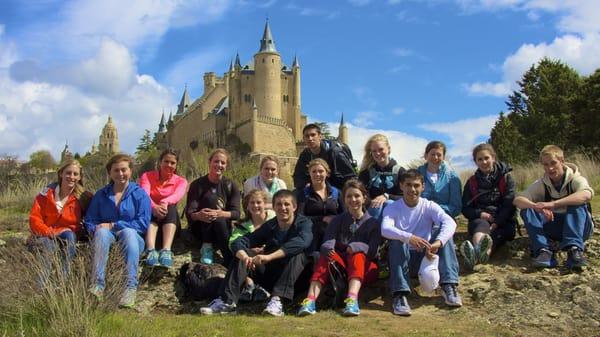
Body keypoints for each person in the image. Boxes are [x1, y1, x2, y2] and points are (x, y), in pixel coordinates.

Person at [200, 190, 313, 316]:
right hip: (273, 276)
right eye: (279, 205)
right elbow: (241, 241)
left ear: (295, 207)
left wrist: (269, 257)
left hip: (297, 278)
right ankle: (227, 302)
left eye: (287, 204)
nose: (283, 208)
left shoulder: (304, 223)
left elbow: (302, 242)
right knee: (245, 254)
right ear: (273, 207)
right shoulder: (271, 225)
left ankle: (277, 301)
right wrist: (244, 255)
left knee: (298, 254)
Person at [382, 169, 462, 316]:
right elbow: (385, 229)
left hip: (426, 257)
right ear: (401, 186)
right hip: (404, 258)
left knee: (445, 235)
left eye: (416, 185)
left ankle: (449, 286)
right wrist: (409, 237)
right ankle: (400, 295)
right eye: (408, 185)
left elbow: (449, 222)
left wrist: (438, 242)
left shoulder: (429, 205)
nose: (412, 189)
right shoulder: (393, 207)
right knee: (397, 241)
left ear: (422, 187)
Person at [298, 179, 381, 317]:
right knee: (326, 256)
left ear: (364, 198)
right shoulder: (338, 220)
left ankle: (352, 300)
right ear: (344, 199)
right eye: (349, 196)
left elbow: (372, 250)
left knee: (357, 255)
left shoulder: (373, 223)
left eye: (357, 196)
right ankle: (310, 301)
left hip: (366, 268)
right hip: (342, 266)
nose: (353, 199)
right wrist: (328, 247)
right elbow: (328, 240)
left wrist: (356, 246)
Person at [85, 154, 151, 308]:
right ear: (110, 173)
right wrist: (97, 228)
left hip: (133, 239)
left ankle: (130, 287)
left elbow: (142, 223)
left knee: (128, 232)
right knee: (101, 233)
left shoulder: (139, 193)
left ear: (131, 171)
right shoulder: (101, 194)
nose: (120, 174)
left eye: (124, 170)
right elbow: (90, 220)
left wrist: (115, 225)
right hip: (106, 236)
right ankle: (97, 286)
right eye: (116, 170)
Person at [513, 145, 594, 270]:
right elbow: (518, 200)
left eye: (553, 163)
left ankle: (574, 251)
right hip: (554, 227)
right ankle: (544, 251)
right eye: (545, 164)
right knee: (527, 209)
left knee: (577, 203)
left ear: (562, 161)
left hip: (580, 227)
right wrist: (536, 206)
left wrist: (553, 204)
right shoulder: (541, 184)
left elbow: (586, 194)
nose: (550, 168)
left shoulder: (576, 179)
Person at [28, 160, 92, 277]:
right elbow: (34, 218)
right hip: (44, 234)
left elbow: (93, 217)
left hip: (68, 235)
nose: (71, 177)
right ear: (61, 173)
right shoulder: (46, 194)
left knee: (70, 235)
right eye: (68, 173)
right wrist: (50, 232)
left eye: (75, 174)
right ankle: (41, 288)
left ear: (79, 177)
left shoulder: (84, 197)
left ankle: (63, 279)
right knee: (49, 245)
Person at [460, 144, 517, 270]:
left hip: (505, 221)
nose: (484, 162)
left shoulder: (507, 178)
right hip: (480, 219)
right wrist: (481, 214)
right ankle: (479, 254)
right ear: (475, 162)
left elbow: (509, 204)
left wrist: (497, 222)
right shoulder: (471, 182)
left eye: (486, 158)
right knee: (481, 226)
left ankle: (477, 255)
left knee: (496, 234)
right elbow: (465, 208)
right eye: (479, 159)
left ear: (493, 158)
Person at [185, 148, 241, 266]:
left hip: (222, 231)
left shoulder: (231, 185)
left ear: (226, 166)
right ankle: (207, 246)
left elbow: (236, 213)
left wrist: (220, 213)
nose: (219, 165)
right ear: (209, 162)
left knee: (219, 217)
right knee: (210, 202)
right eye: (216, 161)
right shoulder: (197, 185)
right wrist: (199, 215)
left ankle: (227, 256)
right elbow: (190, 213)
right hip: (200, 230)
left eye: (223, 163)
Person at [139, 148, 188, 268]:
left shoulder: (181, 181)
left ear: (176, 165)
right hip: (150, 220)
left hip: (169, 222)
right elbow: (144, 195)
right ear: (160, 162)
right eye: (166, 161)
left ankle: (166, 250)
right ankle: (150, 250)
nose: (169, 165)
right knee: (147, 207)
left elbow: (177, 196)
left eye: (172, 163)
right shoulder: (147, 176)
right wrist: (154, 207)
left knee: (171, 207)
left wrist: (164, 202)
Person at [229, 189, 275, 302]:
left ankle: (259, 286)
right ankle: (248, 284)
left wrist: (265, 248)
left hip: (272, 260)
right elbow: (232, 243)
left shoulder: (275, 219)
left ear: (265, 204)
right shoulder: (242, 225)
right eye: (252, 203)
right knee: (242, 254)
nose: (255, 205)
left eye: (258, 202)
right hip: (251, 263)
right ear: (247, 206)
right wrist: (249, 251)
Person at [297, 159, 344, 257]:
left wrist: (335, 219)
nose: (317, 174)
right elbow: (300, 217)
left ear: (327, 173)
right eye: (314, 171)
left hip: (334, 231)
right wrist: (321, 218)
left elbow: (344, 214)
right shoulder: (304, 193)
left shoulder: (336, 192)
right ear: (309, 173)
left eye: (321, 171)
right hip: (312, 232)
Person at [293, 123, 356, 191]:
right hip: (315, 191)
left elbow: (351, 177)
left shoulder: (335, 153)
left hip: (336, 192)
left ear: (320, 136)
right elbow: (298, 177)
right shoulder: (305, 155)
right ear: (304, 139)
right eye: (307, 136)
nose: (310, 139)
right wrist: (306, 185)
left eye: (313, 135)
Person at [358, 134, 404, 220]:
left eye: (381, 149)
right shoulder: (366, 173)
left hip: (395, 213)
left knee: (388, 203)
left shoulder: (400, 172)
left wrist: (387, 196)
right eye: (374, 151)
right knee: (377, 206)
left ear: (389, 149)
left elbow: (405, 196)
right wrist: (371, 201)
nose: (378, 153)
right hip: (372, 210)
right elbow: (360, 193)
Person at [416, 141, 462, 218]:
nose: (435, 157)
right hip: (420, 217)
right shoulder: (416, 174)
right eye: (432, 154)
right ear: (426, 155)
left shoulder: (452, 178)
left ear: (443, 157)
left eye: (439, 155)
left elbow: (456, 206)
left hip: (444, 216)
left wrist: (436, 210)